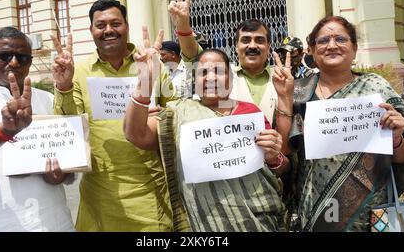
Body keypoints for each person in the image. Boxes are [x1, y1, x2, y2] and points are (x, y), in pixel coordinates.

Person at [124, 47, 291, 231]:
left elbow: (282, 167)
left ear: (230, 78)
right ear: (193, 80)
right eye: (202, 72)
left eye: (218, 71)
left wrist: (273, 157)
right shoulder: (177, 114)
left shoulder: (249, 112)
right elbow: (135, 134)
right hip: (205, 224)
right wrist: (144, 83)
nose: (210, 78)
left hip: (259, 219)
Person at [51, 0, 175, 231]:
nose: (108, 30)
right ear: (91, 30)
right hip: (100, 196)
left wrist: (162, 117)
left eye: (115, 23)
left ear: (126, 26)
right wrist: (64, 87)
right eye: (101, 25)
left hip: (150, 193)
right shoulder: (79, 72)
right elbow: (69, 128)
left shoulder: (151, 64)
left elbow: (178, 114)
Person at [280, 16, 404, 231]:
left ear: (354, 47)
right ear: (311, 49)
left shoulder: (377, 88)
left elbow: (402, 156)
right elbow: (285, 150)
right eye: (322, 41)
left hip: (370, 214)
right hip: (315, 211)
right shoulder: (300, 92)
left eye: (340, 39)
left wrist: (396, 139)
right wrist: (284, 97)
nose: (331, 45)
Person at [0, 27, 74, 232]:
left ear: (29, 62)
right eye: (4, 56)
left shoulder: (48, 99)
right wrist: (3, 132)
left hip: (53, 221)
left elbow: (68, 159)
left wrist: (60, 175)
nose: (13, 62)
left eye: (22, 57)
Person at [168, 0, 277, 121]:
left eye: (259, 40)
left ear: (269, 46)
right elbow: (193, 54)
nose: (252, 45)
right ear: (236, 47)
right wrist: (183, 25)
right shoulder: (222, 74)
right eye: (246, 40)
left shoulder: (281, 79)